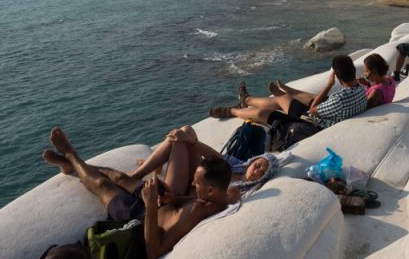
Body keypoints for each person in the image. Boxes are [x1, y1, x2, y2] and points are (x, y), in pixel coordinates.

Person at [42, 128, 238, 259]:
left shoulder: (198, 211)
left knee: (102, 184)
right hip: (155, 203)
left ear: (211, 189)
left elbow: (154, 251)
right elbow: (214, 192)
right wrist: (177, 198)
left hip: (140, 222)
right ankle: (74, 167)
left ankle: (71, 155)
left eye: (196, 181)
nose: (193, 183)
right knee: (118, 176)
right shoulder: (222, 195)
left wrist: (152, 204)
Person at [210, 55, 367, 129]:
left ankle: (241, 104)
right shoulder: (361, 90)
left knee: (270, 109)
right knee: (312, 97)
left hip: (310, 123)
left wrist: (328, 85)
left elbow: (312, 111)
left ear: (337, 77)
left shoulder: (339, 98)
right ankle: (254, 98)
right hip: (333, 113)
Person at [129, 125, 279, 196]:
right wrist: (191, 140)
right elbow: (215, 156)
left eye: (263, 172)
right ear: (252, 161)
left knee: (179, 141)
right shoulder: (239, 166)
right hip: (196, 174)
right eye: (259, 165)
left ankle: (138, 175)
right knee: (185, 131)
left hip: (184, 192)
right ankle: (149, 168)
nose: (258, 170)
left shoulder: (242, 189)